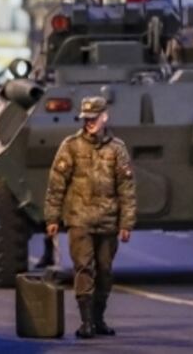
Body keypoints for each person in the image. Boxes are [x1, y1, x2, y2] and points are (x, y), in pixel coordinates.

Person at [44, 96, 136, 339]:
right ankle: (86, 322)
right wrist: (52, 218)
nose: (89, 123)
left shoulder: (117, 148)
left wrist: (127, 223)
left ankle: (98, 318)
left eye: (94, 118)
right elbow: (56, 185)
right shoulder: (71, 146)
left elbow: (126, 188)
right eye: (86, 119)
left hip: (108, 220)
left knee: (105, 271)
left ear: (104, 117)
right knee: (84, 267)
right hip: (79, 219)